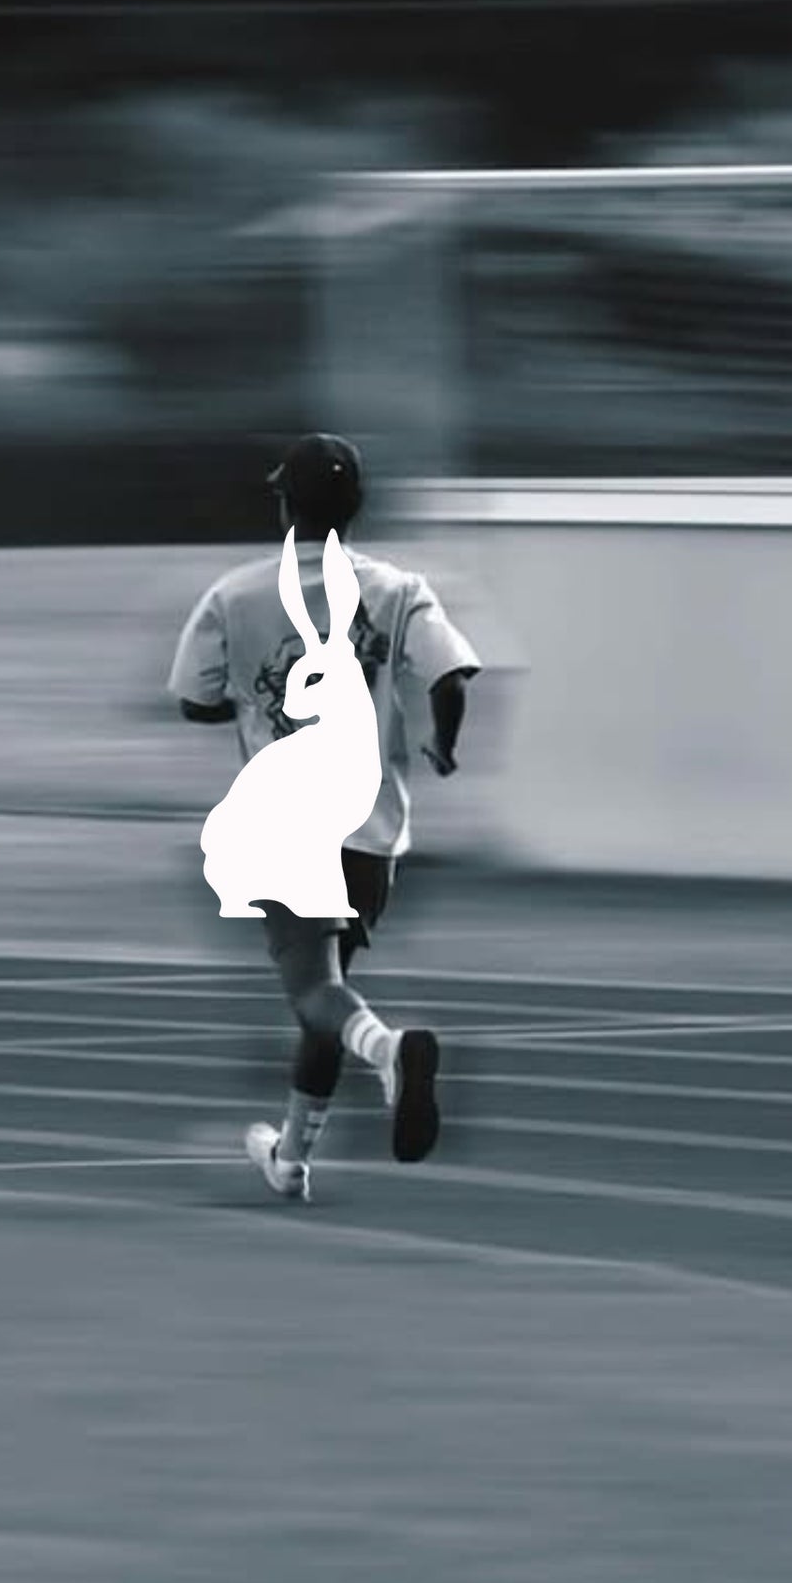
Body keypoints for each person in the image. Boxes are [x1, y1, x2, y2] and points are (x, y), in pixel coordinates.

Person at [168, 433, 481, 1200]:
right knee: (325, 998)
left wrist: (248, 705)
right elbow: (450, 675)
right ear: (358, 508)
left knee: (318, 995)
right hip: (373, 833)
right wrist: (443, 744)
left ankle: (390, 1048)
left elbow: (193, 698)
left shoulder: (236, 594)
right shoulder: (398, 589)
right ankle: (291, 1159)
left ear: (284, 506)